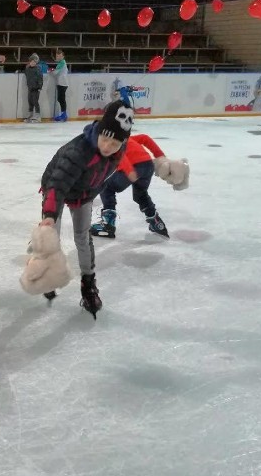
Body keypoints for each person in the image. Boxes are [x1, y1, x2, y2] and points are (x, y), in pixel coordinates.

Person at [38, 100, 134, 319]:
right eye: (105, 138)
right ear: (99, 131)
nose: (108, 146)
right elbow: (57, 184)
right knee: (51, 236)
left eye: (115, 143)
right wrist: (49, 216)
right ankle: (49, 273)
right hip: (56, 190)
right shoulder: (77, 152)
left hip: (84, 194)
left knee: (82, 237)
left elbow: (129, 158)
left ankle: (88, 285)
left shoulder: (120, 149)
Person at [90, 134, 183, 240]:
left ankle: (108, 225)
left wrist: (129, 171)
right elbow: (144, 138)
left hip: (133, 166)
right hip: (148, 165)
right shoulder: (125, 138)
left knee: (106, 186)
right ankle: (156, 222)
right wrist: (160, 155)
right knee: (140, 194)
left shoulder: (108, 144)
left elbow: (120, 153)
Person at [24, 54, 44, 123]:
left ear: (36, 62)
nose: (33, 63)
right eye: (31, 61)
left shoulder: (38, 69)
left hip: (36, 88)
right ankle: (30, 116)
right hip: (30, 88)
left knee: (35, 102)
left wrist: (39, 87)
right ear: (29, 62)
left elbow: (40, 78)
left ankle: (38, 117)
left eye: (34, 62)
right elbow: (26, 75)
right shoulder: (28, 69)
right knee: (30, 102)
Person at [52, 50, 69, 122]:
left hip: (62, 83)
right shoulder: (61, 63)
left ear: (63, 56)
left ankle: (64, 114)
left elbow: (55, 73)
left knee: (61, 99)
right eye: (57, 56)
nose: (58, 57)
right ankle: (63, 114)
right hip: (61, 83)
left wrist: (51, 70)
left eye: (59, 56)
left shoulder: (61, 63)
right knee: (60, 99)